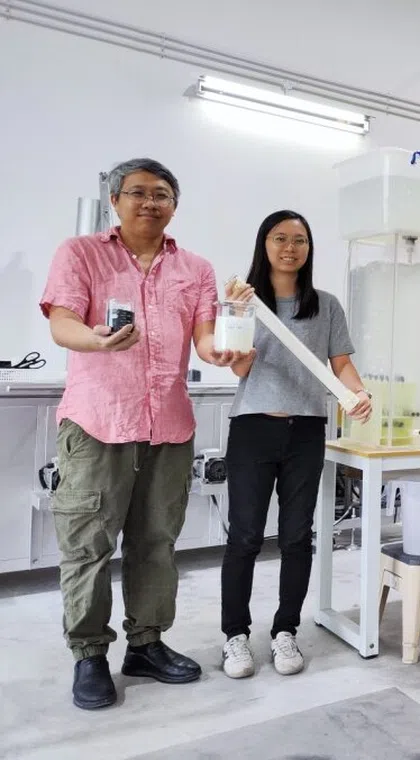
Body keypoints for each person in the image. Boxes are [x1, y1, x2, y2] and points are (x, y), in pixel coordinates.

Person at [40, 158, 251, 710]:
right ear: (116, 200)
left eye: (161, 194)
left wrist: (226, 349)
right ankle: (89, 653)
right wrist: (94, 340)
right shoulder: (80, 253)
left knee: (157, 543)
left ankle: (146, 644)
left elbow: (205, 341)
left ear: (174, 206)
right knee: (88, 545)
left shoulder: (196, 269)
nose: (149, 202)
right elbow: (61, 321)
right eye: (137, 192)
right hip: (97, 421)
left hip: (169, 426)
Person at [219, 210, 373, 678]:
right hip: (253, 426)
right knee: (244, 536)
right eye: (280, 238)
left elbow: (340, 363)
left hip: (306, 430)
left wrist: (358, 392)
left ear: (309, 248)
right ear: (263, 244)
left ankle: (286, 631)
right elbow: (239, 369)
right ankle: (235, 637)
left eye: (300, 240)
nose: (290, 248)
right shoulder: (242, 302)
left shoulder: (325, 305)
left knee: (296, 537)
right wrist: (237, 325)